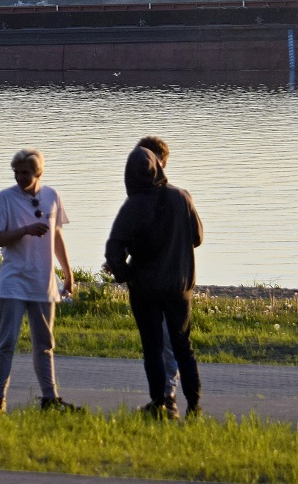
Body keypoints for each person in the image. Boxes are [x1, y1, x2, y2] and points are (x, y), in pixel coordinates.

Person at [105, 142, 203, 418]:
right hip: (179, 285)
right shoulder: (182, 197)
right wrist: (175, 248)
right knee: (183, 344)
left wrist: (125, 275)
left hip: (145, 288)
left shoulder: (132, 206)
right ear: (159, 167)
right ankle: (194, 405)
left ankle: (160, 402)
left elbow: (113, 251)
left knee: (153, 348)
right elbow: (197, 237)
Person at [0, 148, 78, 412]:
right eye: (16, 172)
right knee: (7, 343)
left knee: (45, 344)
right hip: (14, 282)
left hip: (43, 282)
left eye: (24, 172)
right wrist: (26, 230)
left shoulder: (52, 196)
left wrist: (68, 273)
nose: (19, 177)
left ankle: (50, 399)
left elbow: (57, 236)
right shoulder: (5, 198)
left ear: (38, 172)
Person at [133, 136, 181, 407]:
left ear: (161, 162)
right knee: (155, 342)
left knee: (168, 340)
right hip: (148, 281)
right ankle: (161, 395)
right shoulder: (139, 198)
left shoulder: (173, 197)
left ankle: (168, 394)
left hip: (170, 281)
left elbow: (193, 237)